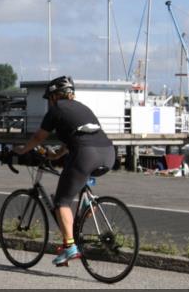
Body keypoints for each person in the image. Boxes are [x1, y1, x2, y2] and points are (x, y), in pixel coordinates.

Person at [15, 76, 116, 266]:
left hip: (86, 155)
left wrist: (23, 150)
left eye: (49, 98)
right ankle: (86, 210)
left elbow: (38, 137)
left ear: (55, 96)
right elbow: (78, 136)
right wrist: (56, 154)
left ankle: (70, 246)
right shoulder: (83, 108)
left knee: (61, 202)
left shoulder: (56, 110)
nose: (49, 102)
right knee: (78, 181)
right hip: (108, 154)